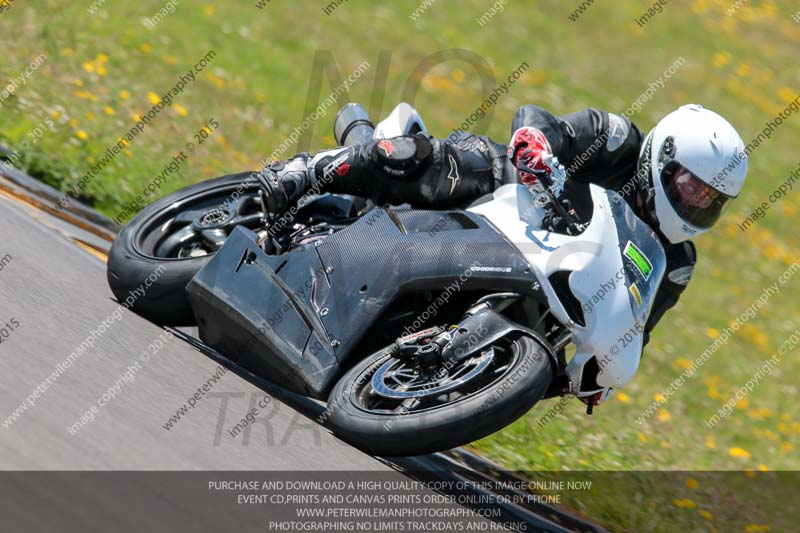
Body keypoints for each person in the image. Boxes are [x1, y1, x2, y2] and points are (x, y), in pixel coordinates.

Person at [258, 103, 747, 402]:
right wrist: (535, 142)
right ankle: (309, 170)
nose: (696, 202)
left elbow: (642, 322)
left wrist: (600, 373)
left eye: (710, 199)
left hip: (551, 283)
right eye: (690, 186)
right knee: (422, 164)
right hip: (502, 190)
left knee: (557, 371)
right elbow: (544, 122)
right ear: (662, 160)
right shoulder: (619, 139)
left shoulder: (677, 261)